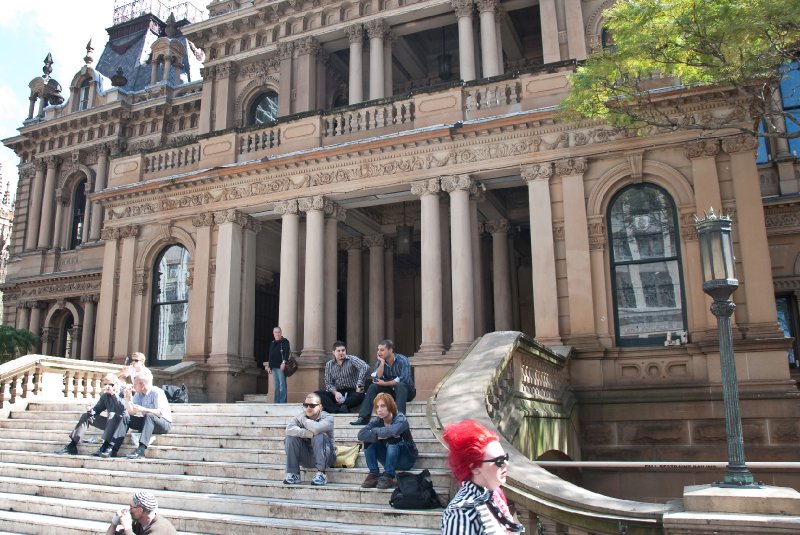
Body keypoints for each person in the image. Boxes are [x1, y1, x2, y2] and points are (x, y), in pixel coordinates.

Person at [440, 420, 524, 534]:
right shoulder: (461, 512)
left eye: (505, 458)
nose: (506, 463)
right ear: (474, 468)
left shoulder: (494, 496)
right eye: (499, 461)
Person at [55, 372, 129, 457]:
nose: (108, 386)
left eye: (111, 384)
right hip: (109, 423)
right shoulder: (105, 396)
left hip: (120, 424)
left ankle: (105, 446)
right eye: (105, 384)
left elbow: (123, 409)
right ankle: (72, 445)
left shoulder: (123, 393)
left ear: (116, 384)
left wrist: (113, 394)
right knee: (86, 416)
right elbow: (97, 409)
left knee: (112, 414)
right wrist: (90, 410)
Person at [357, 392, 418, 489]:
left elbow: (393, 431)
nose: (379, 410)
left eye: (383, 406)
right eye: (377, 407)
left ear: (390, 406)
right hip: (388, 458)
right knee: (368, 440)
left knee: (393, 439)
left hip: (406, 460)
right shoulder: (377, 421)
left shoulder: (400, 418)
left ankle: (389, 475)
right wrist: (379, 435)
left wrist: (374, 432)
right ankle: (374, 474)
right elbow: (361, 434)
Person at [351, 339, 415, 426]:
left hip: (406, 392)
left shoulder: (403, 360)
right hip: (391, 393)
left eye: (382, 350)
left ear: (390, 350)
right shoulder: (380, 362)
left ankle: (400, 418)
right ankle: (363, 417)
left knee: (400, 385)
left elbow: (404, 379)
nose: (379, 352)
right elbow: (376, 379)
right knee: (373, 387)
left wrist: (385, 383)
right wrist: (382, 363)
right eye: (378, 350)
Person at [283, 392, 336, 486]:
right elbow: (288, 430)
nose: (308, 408)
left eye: (312, 405)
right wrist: (309, 434)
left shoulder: (328, 418)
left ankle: (321, 474)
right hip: (306, 457)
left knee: (320, 436)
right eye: (306, 405)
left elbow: (316, 428)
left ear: (320, 407)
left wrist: (304, 420)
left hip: (326, 457)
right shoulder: (300, 417)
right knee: (290, 438)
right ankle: (294, 474)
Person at [122, 368, 172, 459]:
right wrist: (127, 398)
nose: (133, 387)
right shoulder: (138, 394)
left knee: (149, 416)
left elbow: (160, 413)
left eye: (135, 384)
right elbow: (131, 412)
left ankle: (141, 449)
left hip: (163, 423)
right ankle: (112, 447)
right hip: (148, 422)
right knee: (125, 417)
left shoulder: (157, 392)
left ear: (142, 384)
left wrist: (143, 409)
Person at [315, 340, 369, 414]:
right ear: (333, 352)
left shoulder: (351, 359)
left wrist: (359, 385)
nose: (341, 353)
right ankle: (339, 409)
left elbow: (365, 367)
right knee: (316, 394)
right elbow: (328, 383)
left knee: (360, 396)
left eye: (343, 350)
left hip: (352, 392)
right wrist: (335, 393)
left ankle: (339, 407)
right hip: (338, 393)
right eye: (338, 351)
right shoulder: (329, 365)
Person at [106, 490, 177, 535]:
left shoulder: (159, 529)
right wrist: (114, 523)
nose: (129, 510)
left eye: (131, 507)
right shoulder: (138, 523)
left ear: (140, 510)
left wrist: (127, 528)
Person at [266, 326, 290, 403]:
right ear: (273, 334)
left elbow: (287, 353)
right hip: (273, 367)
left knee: (282, 385)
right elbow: (270, 355)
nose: (277, 333)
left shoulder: (285, 341)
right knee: (276, 386)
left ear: (281, 333)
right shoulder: (272, 343)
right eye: (275, 332)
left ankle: (282, 402)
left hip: (281, 366)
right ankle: (277, 402)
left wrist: (283, 363)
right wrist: (269, 366)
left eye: (279, 332)